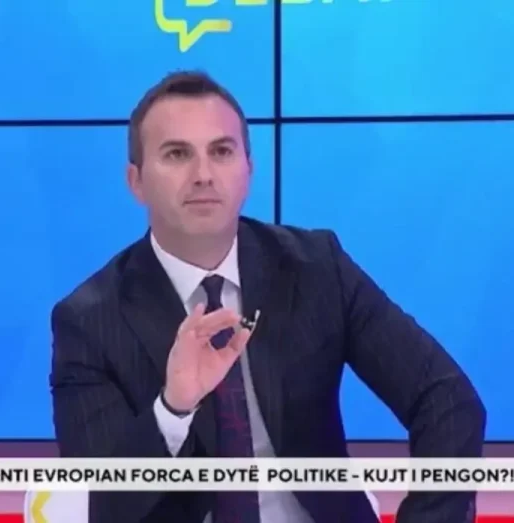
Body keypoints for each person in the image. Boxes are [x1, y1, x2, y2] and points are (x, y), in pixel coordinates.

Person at [50, 70, 486, 523]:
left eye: (221, 151)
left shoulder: (317, 269)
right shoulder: (88, 320)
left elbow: (447, 399)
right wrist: (172, 409)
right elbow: (106, 502)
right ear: (136, 181)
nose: (203, 175)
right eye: (177, 154)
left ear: (248, 170)